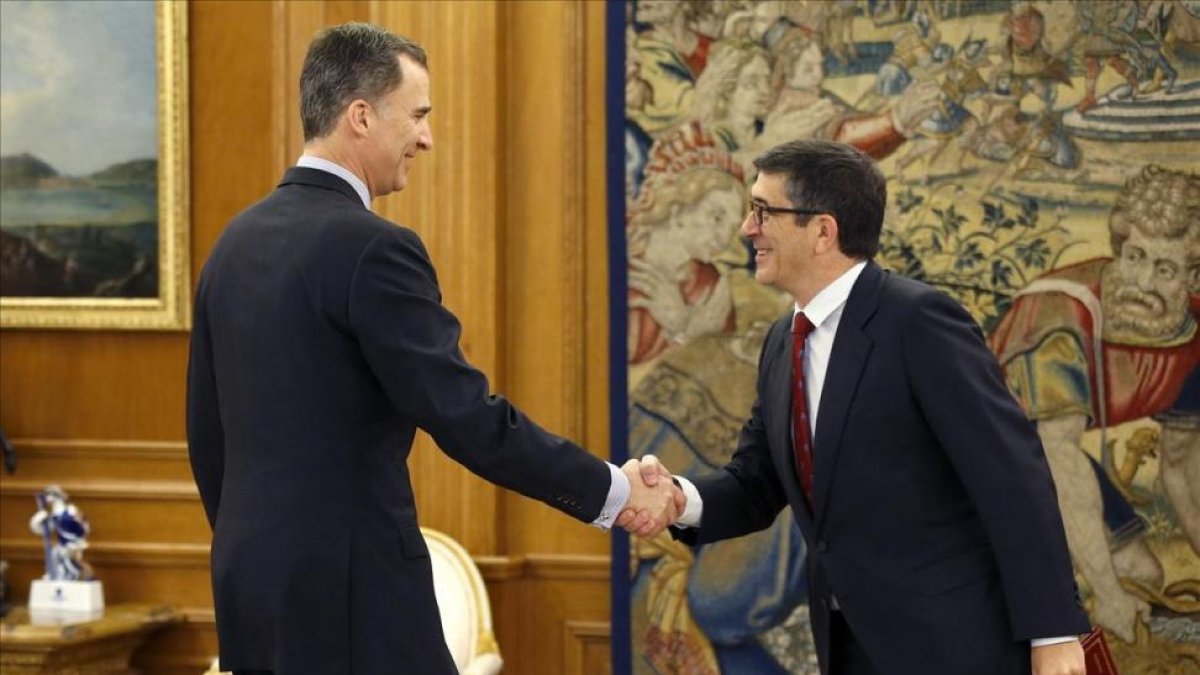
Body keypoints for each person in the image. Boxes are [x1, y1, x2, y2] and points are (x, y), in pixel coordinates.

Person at [186, 23, 677, 675]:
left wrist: (265, 547)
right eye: (417, 115)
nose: (427, 138)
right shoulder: (374, 248)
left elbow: (208, 435)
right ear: (361, 116)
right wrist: (612, 490)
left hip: (250, 588)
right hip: (356, 597)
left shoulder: (232, 244)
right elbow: (467, 417)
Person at [621, 139, 1090, 674]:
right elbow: (757, 483)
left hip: (955, 646)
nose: (747, 229)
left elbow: (1012, 476)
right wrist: (678, 500)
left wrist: (1054, 633)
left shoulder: (919, 322)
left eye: (763, 212)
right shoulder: (782, 340)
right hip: (847, 646)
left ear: (824, 231)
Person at [989, 164, 1200, 642]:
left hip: (1040, 454)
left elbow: (1184, 466)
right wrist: (1107, 595)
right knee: (1105, 591)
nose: (1142, 281)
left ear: (1194, 278)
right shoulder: (1060, 315)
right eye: (1134, 256)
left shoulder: (1192, 335)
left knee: (1143, 576)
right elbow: (1056, 452)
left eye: (1165, 270)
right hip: (984, 460)